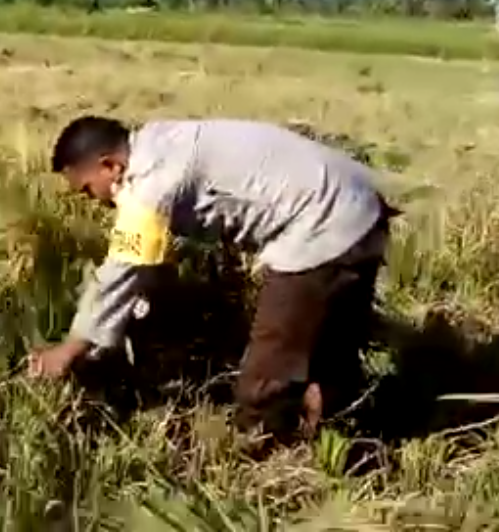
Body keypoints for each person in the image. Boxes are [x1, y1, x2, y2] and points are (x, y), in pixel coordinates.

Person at [29, 115, 399, 441]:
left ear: (109, 165)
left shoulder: (151, 186)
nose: (93, 201)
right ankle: (343, 440)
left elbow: (121, 273)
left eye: (87, 189)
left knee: (263, 383)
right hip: (359, 205)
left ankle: (264, 461)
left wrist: (71, 348)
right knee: (329, 355)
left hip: (323, 225)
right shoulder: (159, 140)